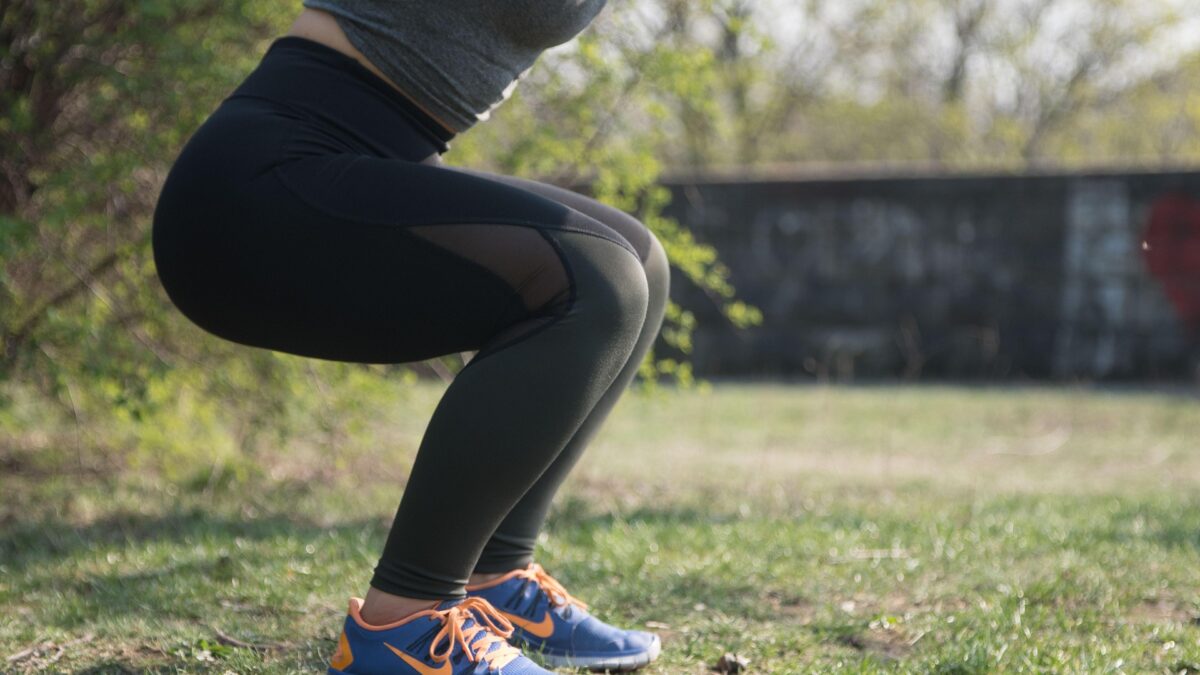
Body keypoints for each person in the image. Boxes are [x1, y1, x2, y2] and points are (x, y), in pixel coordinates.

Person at [150, 1, 670, 673]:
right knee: (596, 281)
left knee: (638, 258)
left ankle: (493, 581)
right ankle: (404, 628)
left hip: (359, 157)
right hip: (258, 184)